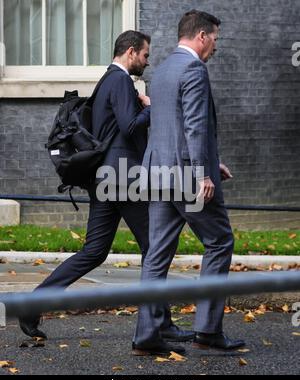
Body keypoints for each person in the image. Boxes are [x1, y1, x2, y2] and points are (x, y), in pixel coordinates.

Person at [19, 30, 193, 345]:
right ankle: (161, 325)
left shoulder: (105, 82)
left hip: (105, 179)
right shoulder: (121, 81)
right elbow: (129, 126)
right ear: (130, 52)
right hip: (124, 180)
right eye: (145, 54)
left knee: (94, 251)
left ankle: (32, 305)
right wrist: (152, 106)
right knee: (154, 248)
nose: (147, 60)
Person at [132, 11, 246, 356]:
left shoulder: (164, 69)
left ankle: (146, 335)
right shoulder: (194, 69)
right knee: (219, 240)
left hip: (160, 173)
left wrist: (213, 161)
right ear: (201, 36)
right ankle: (207, 332)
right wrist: (203, 172)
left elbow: (171, 125)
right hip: (187, 178)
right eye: (214, 39)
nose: (215, 46)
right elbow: (195, 125)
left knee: (156, 254)